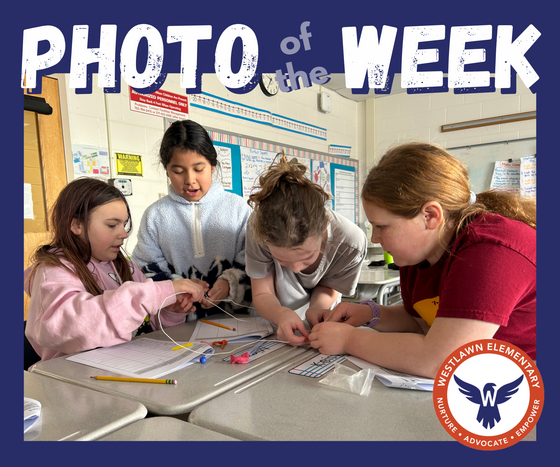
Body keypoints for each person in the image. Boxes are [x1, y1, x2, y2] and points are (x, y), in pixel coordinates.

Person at [308, 142, 536, 378]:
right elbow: (423, 320)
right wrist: (371, 314)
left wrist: (349, 340)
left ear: (430, 216)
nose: (375, 238)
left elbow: (442, 361)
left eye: (382, 226)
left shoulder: (490, 251)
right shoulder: (419, 254)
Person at [24, 177, 205, 362]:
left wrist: (168, 312)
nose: (124, 234)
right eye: (112, 225)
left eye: (123, 224)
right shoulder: (55, 270)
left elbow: (145, 326)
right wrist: (160, 291)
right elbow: (73, 326)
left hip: (127, 366)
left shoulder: (123, 265)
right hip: (74, 379)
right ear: (76, 224)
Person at [132, 120, 252, 320]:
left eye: (198, 169)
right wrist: (177, 287)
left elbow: (255, 258)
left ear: (212, 165)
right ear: (167, 170)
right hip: (178, 323)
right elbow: (145, 265)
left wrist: (228, 283)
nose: (189, 179)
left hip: (239, 320)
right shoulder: (156, 215)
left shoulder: (238, 208)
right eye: (178, 171)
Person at [245, 153, 367, 344]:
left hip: (323, 320)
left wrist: (317, 309)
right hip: (270, 319)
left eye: (308, 257)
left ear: (324, 226)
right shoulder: (257, 227)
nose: (295, 269)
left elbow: (329, 286)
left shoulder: (350, 242)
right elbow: (262, 293)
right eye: (282, 261)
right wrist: (280, 314)